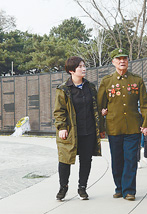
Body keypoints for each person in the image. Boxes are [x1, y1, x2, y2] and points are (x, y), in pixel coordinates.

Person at [97, 48, 147, 201]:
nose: (122, 61)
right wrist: (101, 128)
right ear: (113, 62)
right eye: (118, 59)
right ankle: (119, 188)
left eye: (125, 58)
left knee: (130, 159)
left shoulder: (136, 80)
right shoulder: (107, 81)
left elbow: (145, 104)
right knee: (117, 160)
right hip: (114, 127)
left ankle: (129, 190)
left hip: (132, 127)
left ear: (128, 61)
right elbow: (100, 106)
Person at [53, 56, 102, 201]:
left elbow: (95, 108)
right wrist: (61, 127)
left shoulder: (90, 87)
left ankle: (82, 188)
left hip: (88, 131)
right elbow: (59, 110)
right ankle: (63, 187)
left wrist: (101, 119)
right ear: (71, 70)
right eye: (80, 66)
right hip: (70, 132)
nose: (83, 68)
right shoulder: (63, 89)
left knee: (86, 160)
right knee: (65, 160)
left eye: (84, 66)